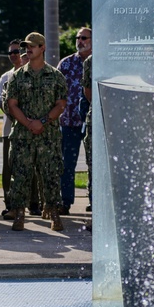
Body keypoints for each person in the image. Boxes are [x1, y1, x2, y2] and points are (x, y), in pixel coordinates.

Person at [2, 31, 68, 232]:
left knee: (51, 175)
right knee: (21, 175)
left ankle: (54, 213)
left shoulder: (55, 76)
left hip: (48, 136)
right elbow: (11, 105)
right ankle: (19, 214)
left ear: (42, 48)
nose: (28, 49)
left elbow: (61, 104)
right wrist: (29, 123)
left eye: (32, 46)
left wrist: (42, 121)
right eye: (26, 47)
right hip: (23, 136)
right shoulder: (17, 76)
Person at [56, 26, 91, 215]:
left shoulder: (100, 62)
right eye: (78, 38)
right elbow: (56, 91)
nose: (80, 41)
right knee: (67, 164)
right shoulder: (67, 64)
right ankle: (65, 201)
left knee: (94, 164)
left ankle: (95, 201)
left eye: (84, 38)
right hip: (69, 122)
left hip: (93, 123)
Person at [0, 39, 23, 219]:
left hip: (31, 129)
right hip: (10, 129)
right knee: (8, 168)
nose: (14, 55)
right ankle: (9, 203)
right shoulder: (5, 77)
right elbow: (2, 103)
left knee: (32, 168)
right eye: (11, 52)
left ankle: (34, 203)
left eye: (17, 51)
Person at [81, 52, 93, 219]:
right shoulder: (91, 61)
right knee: (94, 165)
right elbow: (88, 91)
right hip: (96, 117)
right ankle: (96, 208)